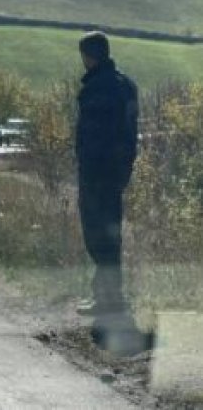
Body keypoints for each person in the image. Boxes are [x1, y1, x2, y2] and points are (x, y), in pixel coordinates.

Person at [75, 32, 151, 354]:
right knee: (109, 234)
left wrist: (91, 166)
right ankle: (105, 294)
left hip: (97, 174)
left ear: (89, 56)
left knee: (98, 236)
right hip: (115, 173)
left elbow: (93, 138)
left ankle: (110, 299)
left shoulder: (97, 89)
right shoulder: (125, 85)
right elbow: (130, 134)